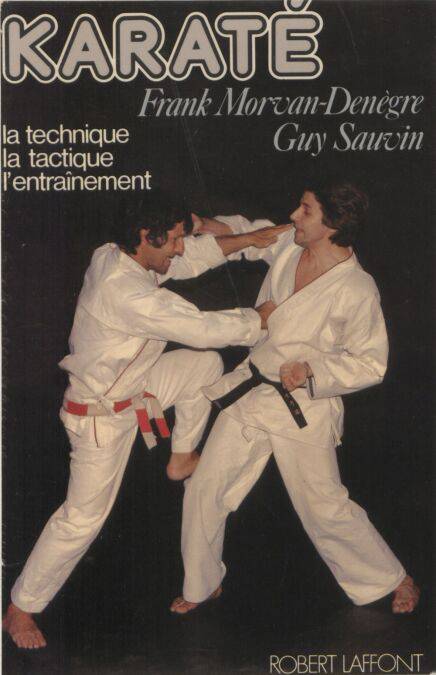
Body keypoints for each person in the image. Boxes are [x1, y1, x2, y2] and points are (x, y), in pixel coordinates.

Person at [3, 194, 288, 649]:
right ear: (145, 236)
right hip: (100, 419)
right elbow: (199, 327)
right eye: (172, 239)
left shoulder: (116, 254)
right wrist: (258, 318)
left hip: (135, 389)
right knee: (81, 519)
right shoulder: (124, 291)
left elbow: (187, 261)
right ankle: (21, 609)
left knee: (204, 367)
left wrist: (248, 239)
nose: (179, 247)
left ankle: (180, 458)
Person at [170, 182, 420, 617]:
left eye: (305, 210)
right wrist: (205, 224)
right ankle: (203, 583)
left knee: (323, 507)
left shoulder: (356, 288)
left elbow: (371, 363)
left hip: (302, 407)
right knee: (205, 488)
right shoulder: (290, 242)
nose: (294, 216)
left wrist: (313, 371)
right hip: (253, 393)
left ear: (333, 223)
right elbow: (250, 234)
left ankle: (393, 578)